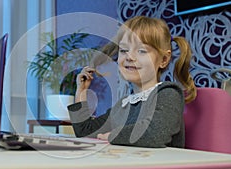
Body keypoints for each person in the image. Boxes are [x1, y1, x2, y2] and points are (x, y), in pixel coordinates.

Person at [67, 16, 197, 148]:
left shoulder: (168, 94)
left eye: (141, 51)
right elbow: (86, 132)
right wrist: (81, 92)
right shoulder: (123, 105)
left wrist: (111, 136)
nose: (129, 57)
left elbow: (154, 134)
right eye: (124, 50)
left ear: (164, 59)